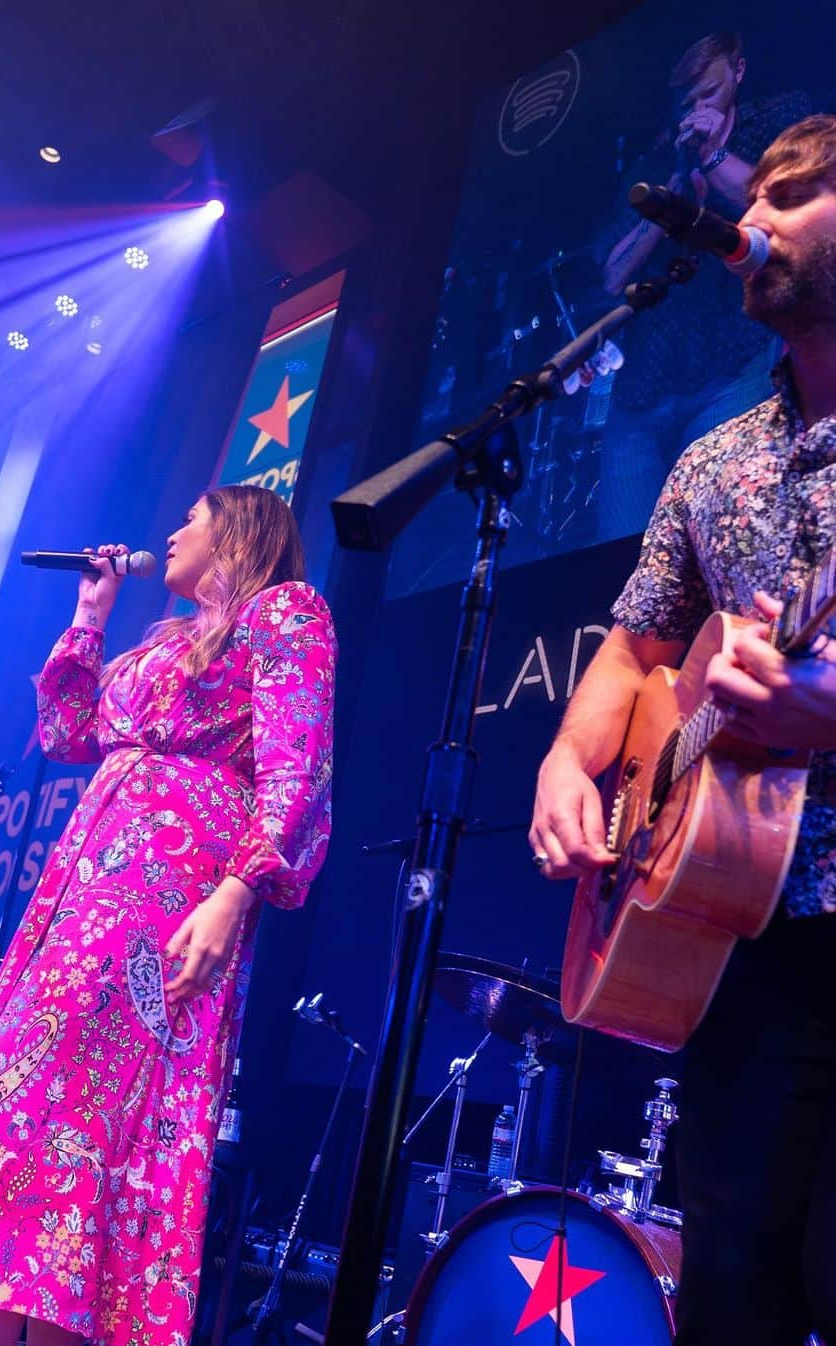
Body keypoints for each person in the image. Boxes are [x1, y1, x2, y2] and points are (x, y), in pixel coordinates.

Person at [0, 484, 337, 1346]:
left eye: (191, 522)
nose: (169, 534)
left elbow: (296, 771)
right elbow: (66, 735)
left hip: (169, 901)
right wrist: (91, 615)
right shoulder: (168, 640)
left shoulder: (287, 613)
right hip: (81, 899)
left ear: (237, 535)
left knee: (97, 1127)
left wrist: (235, 894)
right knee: (19, 1111)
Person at [530, 114, 836, 1345]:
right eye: (749, 200)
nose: (753, 221)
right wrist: (566, 758)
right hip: (745, 948)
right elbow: (638, 644)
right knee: (730, 1292)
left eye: (800, 194)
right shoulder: (713, 461)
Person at [597, 31, 813, 452]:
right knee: (627, 520)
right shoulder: (653, 162)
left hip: (734, 365)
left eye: (709, 94)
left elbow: (786, 211)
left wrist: (714, 154)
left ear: (739, 73)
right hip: (646, 384)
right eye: (686, 104)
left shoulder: (777, 122)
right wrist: (676, 184)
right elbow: (612, 275)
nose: (698, 110)